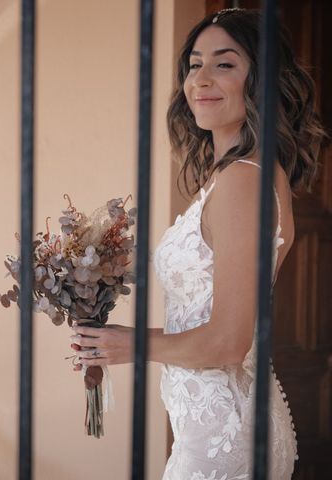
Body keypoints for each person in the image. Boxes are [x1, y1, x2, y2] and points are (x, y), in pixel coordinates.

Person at [69, 7, 328, 479]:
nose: (201, 79)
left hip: (221, 444)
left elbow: (229, 342)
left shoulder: (244, 181)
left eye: (224, 64)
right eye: (194, 64)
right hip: (215, 429)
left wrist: (127, 345)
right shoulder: (234, 175)